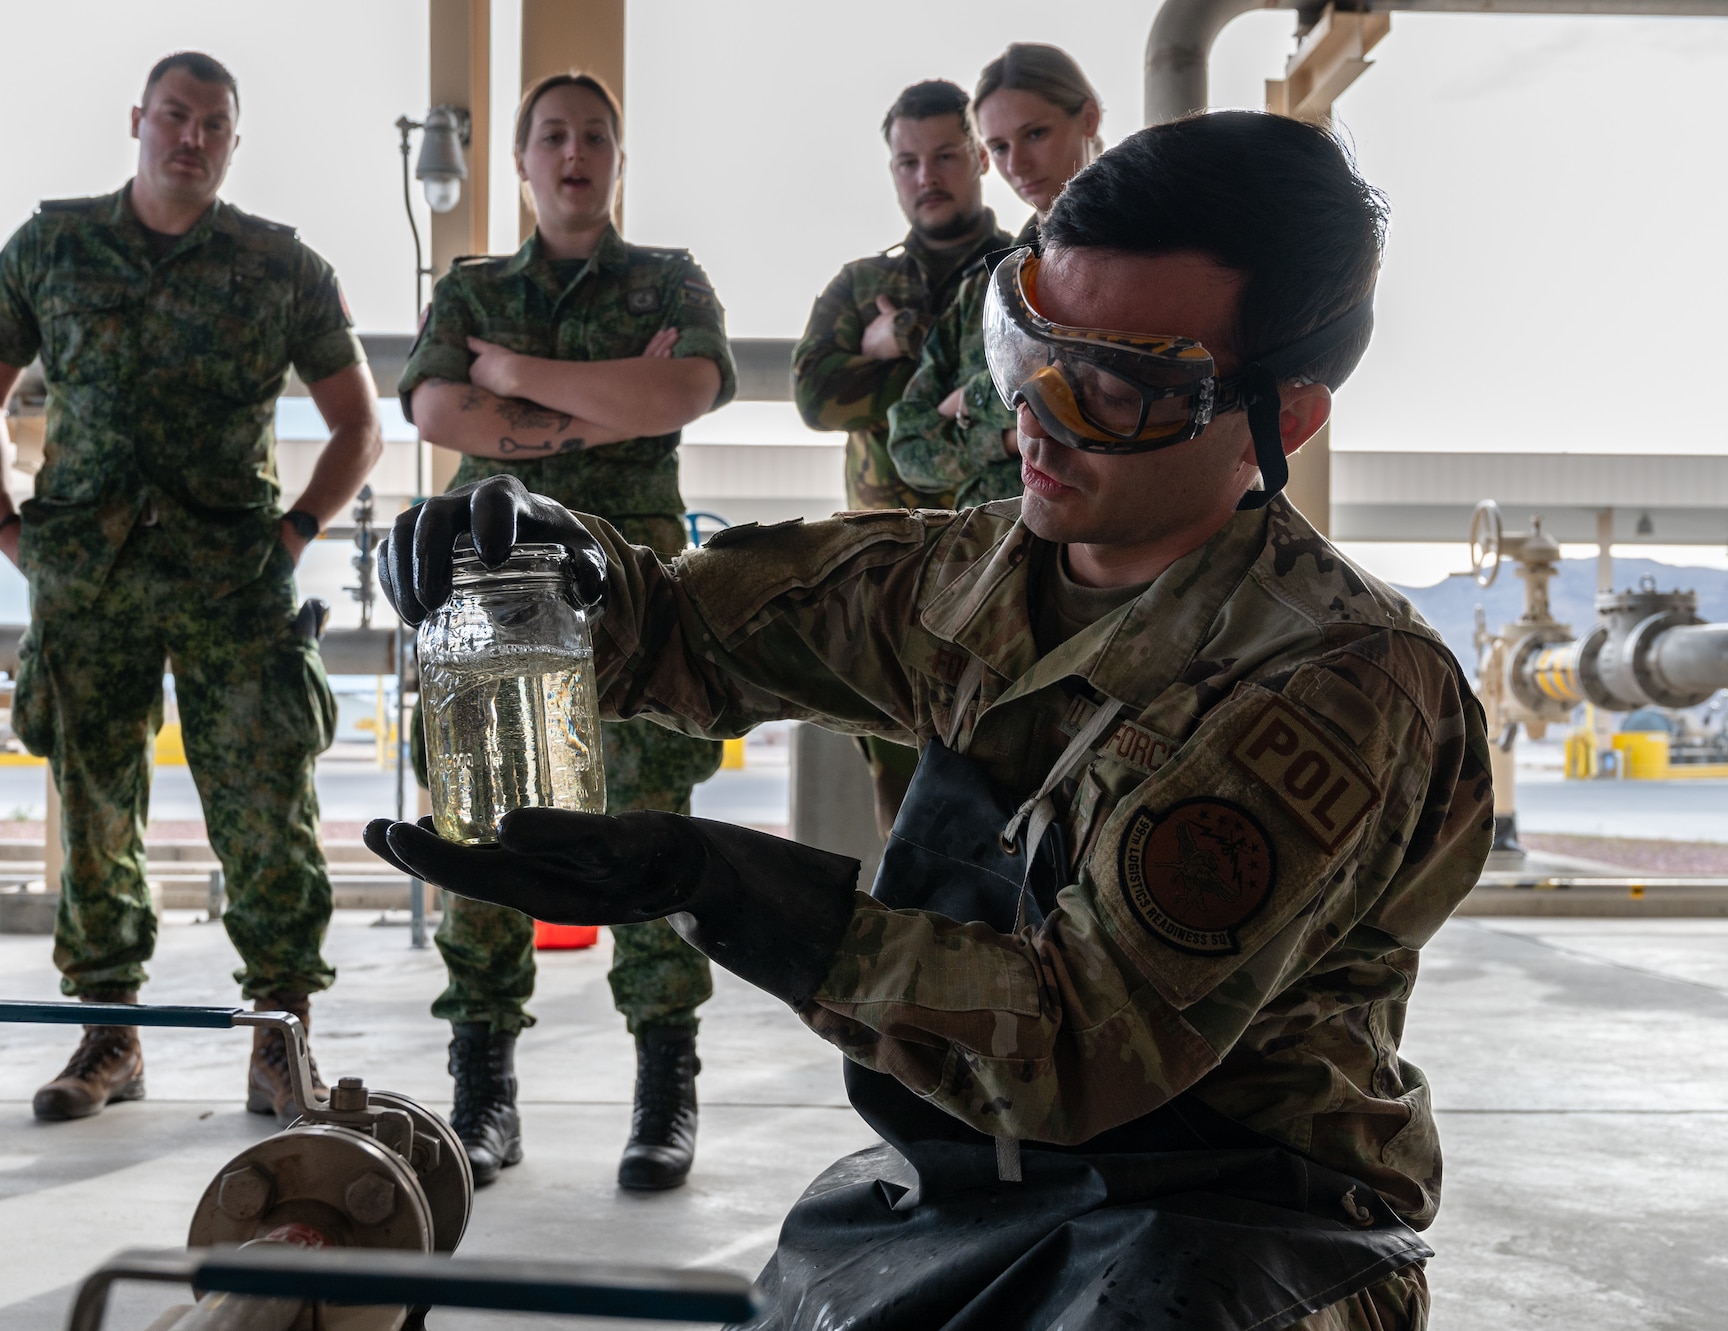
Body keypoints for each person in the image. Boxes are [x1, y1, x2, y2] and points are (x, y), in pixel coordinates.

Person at [372, 112, 1488, 1330]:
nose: (1040, 417)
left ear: (1286, 417)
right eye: (1028, 348)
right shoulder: (973, 578)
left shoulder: (1334, 682)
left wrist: (720, 881)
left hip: (1243, 1228)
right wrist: (559, 556)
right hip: (984, 1177)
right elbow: (688, 632)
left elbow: (1071, 1042)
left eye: (1116, 384)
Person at [0, 52, 382, 1124]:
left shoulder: (280, 267)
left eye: (214, 124)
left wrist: (292, 535)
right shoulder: (49, 249)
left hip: (233, 580)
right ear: (137, 120)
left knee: (268, 807)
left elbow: (358, 423)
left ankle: (280, 1039)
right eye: (174, 117)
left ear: (233, 142)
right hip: (87, 582)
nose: (190, 137)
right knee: (95, 811)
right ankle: (108, 1035)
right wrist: (8, 529)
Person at [395, 71, 737, 1193]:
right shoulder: (471, 284)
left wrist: (512, 379)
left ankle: (662, 1087)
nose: (574, 151)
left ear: (617, 158)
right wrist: (600, 398)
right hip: (493, 587)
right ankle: (481, 1087)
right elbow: (439, 412)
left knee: (649, 832)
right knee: (488, 839)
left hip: (632, 590)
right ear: (521, 160)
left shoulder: (669, 279)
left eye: (595, 135)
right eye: (552, 135)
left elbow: (678, 392)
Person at [792, 78, 1016, 835]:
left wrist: (895, 348)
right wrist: (934, 381)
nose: (928, 176)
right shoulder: (863, 284)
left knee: (1014, 777)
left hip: (1004, 555)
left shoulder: (1024, 269)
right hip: (889, 567)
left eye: (946, 154)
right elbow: (817, 399)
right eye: (908, 162)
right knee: (905, 792)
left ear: (980, 157)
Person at [890, 43, 1102, 510]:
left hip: (1112, 551)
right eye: (999, 147)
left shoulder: (1144, 257)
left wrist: (972, 401)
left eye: (1036, 134)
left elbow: (1107, 396)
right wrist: (1006, 437)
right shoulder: (989, 285)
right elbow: (908, 442)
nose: (1016, 165)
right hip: (991, 551)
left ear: (1088, 119)